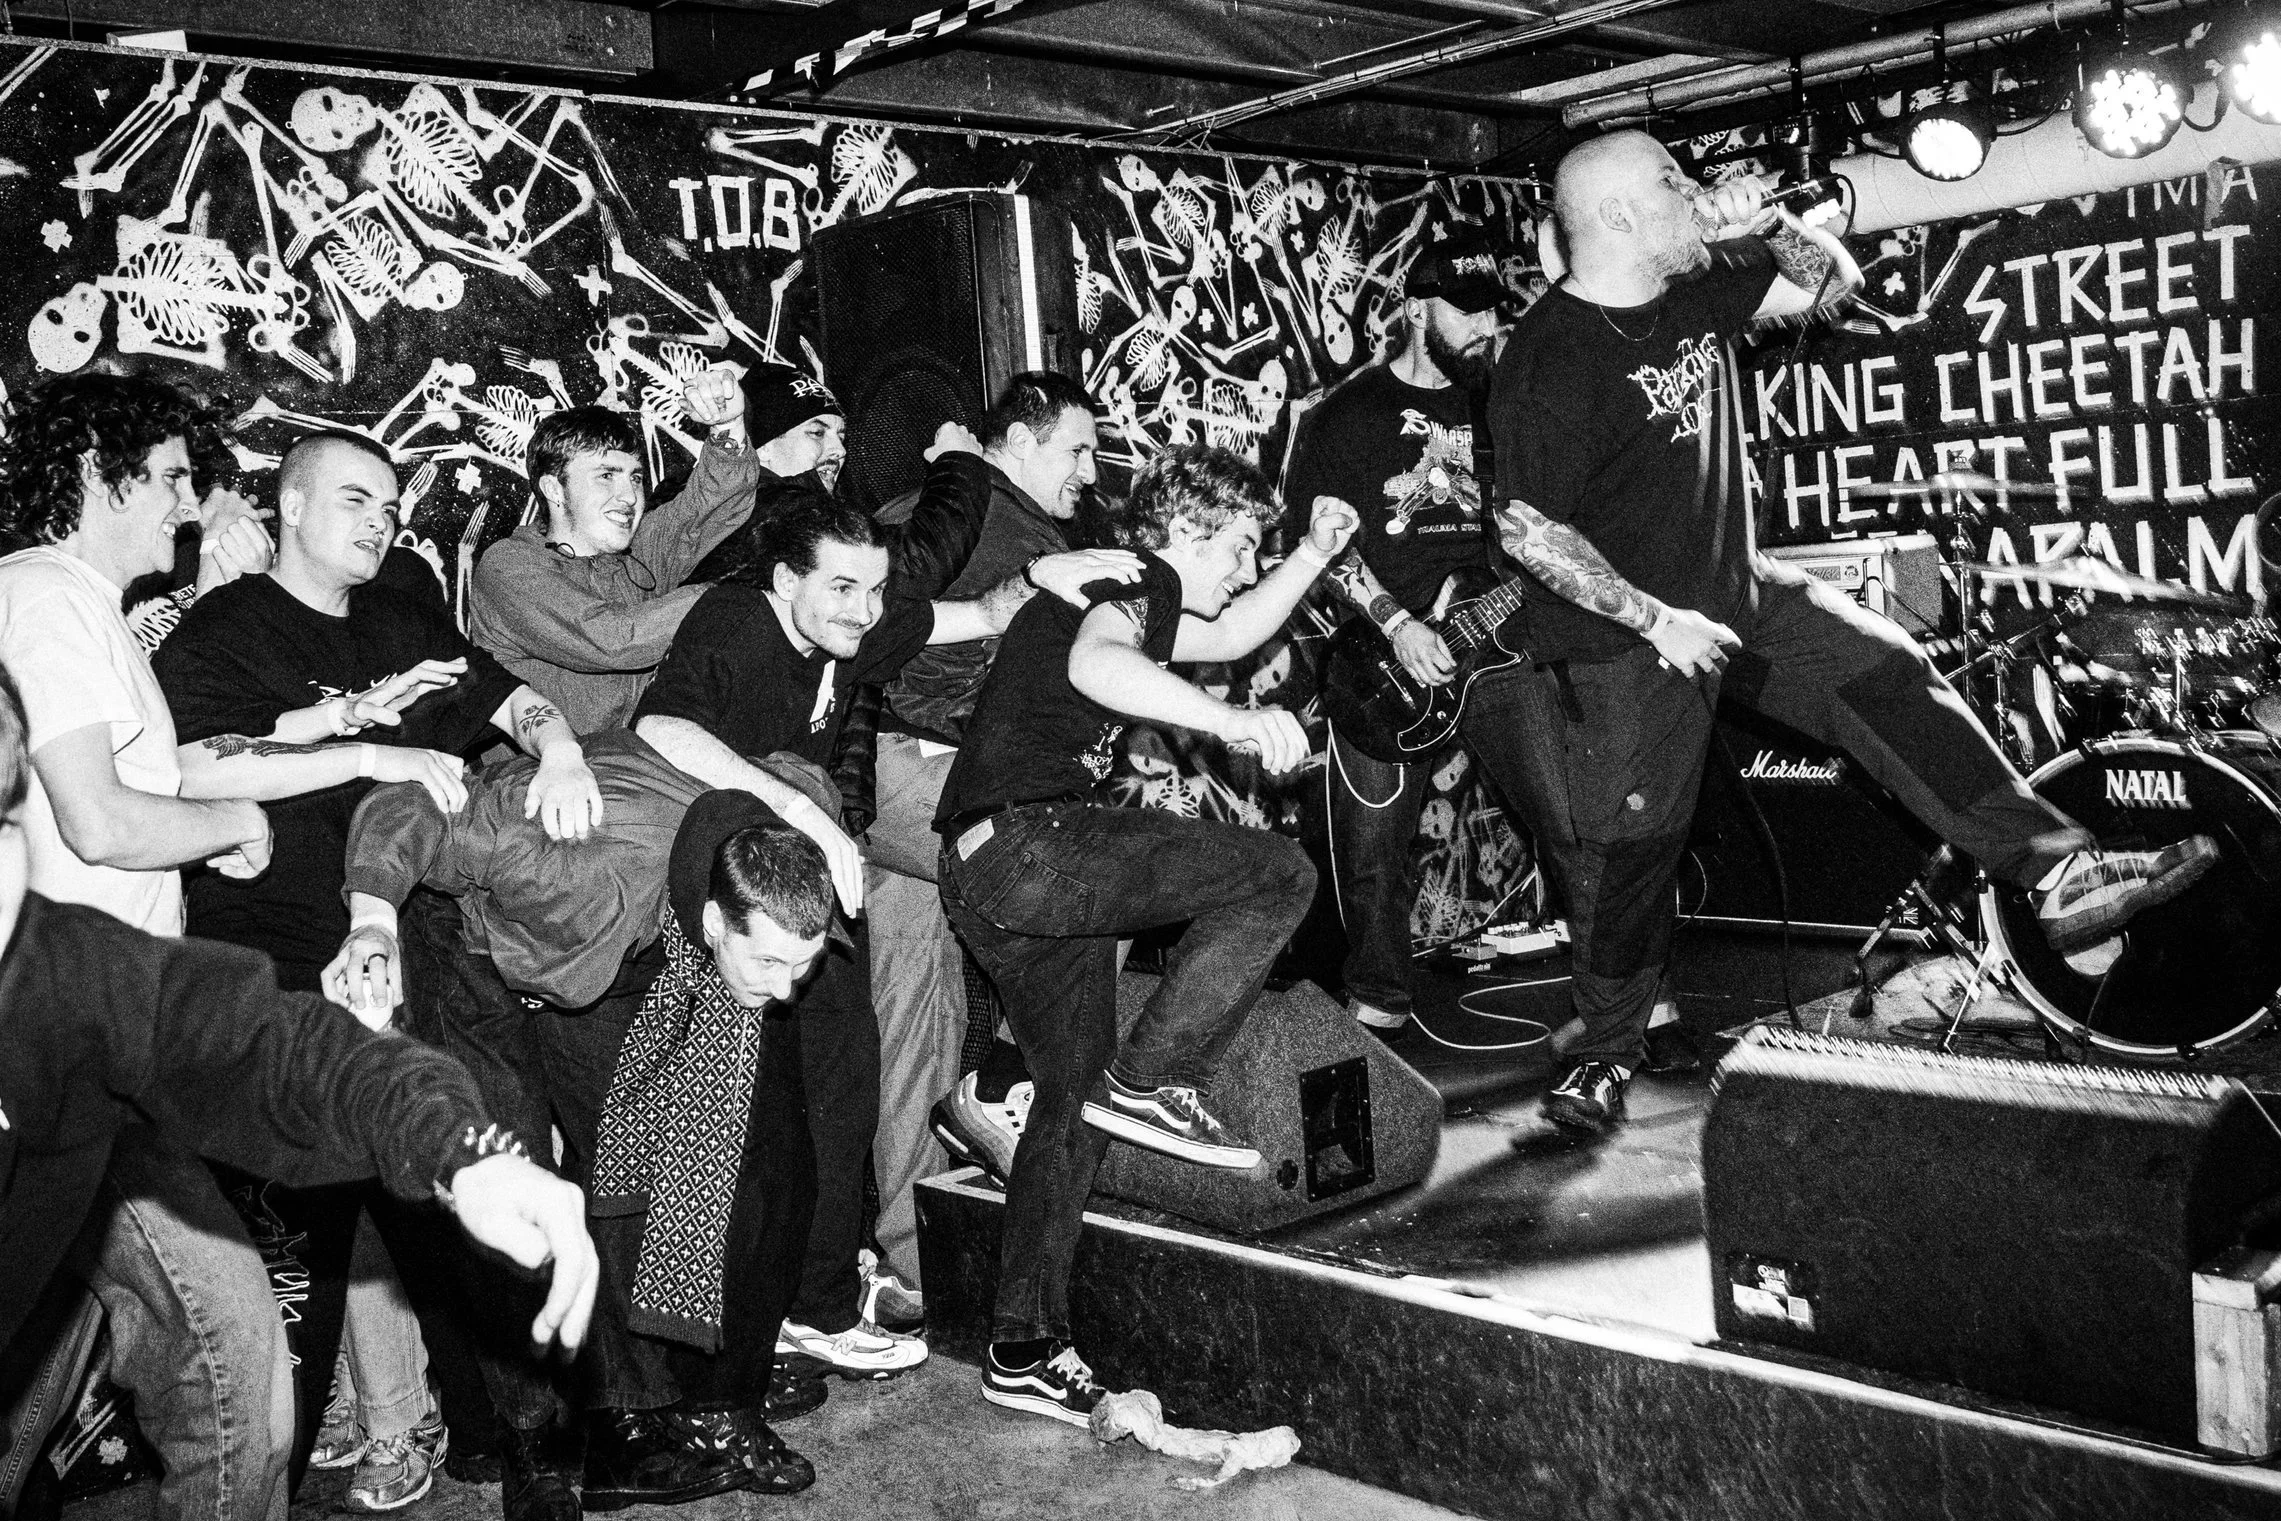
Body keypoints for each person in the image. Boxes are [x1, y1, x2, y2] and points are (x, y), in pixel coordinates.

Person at [1488, 130, 2216, 1135]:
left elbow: (1827, 283)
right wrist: (1656, 618)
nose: (1694, 191)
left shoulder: (1697, 279)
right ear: (1616, 216)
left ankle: (2055, 869)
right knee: (1632, 852)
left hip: (1738, 594)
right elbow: (1529, 532)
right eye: (1672, 182)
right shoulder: (1547, 362)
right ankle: (1604, 1054)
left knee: (1884, 670)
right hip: (1621, 641)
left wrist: (1774, 225)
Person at [0, 656, 598, 1521]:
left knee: (236, 1378)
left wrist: (468, 1153)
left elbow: (275, 1046)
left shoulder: (60, 969)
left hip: (75, 1163)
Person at [149, 428, 610, 1499]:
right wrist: (363, 745)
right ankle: (268, 1474)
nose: (379, 520)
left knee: (462, 1179)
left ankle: (518, 1444)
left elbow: (507, 695)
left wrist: (559, 745)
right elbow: (193, 766)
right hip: (277, 951)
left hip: (411, 944)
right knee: (294, 1244)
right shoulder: (226, 627)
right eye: (354, 498)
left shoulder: (404, 619)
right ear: (292, 508)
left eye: (391, 505)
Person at [635, 431, 1143, 1379]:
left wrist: (1047, 572)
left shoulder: (859, 622)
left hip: (811, 867)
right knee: (772, 1103)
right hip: (717, 890)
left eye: (872, 592)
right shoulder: (737, 622)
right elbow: (661, 723)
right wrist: (796, 809)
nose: (862, 613)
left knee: (881, 1040)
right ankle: (783, 1311)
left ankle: (879, 1272)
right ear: (786, 579)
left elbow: (977, 613)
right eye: (840, 590)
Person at [934, 444, 1356, 1426]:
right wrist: (1230, 723)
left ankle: (1024, 1345)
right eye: (1244, 547)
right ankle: (1152, 1080)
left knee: (1071, 1107)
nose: (1246, 570)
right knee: (1276, 874)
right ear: (1191, 531)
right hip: (1037, 845)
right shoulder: (1144, 576)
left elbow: (1236, 625)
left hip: (992, 868)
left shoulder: (1131, 587)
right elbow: (1101, 663)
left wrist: (1309, 555)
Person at [324, 732, 833, 1513]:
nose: (787, 988)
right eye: (767, 963)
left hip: (599, 960)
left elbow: (794, 769)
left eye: (802, 966)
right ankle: (538, 1448)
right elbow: (411, 802)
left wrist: (812, 812)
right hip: (470, 949)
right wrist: (372, 921)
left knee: (635, 1165)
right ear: (711, 917)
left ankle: (633, 1421)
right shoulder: (561, 859)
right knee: (513, 1191)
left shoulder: (753, 837)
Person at [0, 373, 289, 1521]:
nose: (185, 506)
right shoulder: (43, 597)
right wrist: (236, 825)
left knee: (33, 1371)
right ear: (91, 474)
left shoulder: (76, 607)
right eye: (167, 476)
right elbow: (101, 820)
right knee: (239, 1377)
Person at [865, 371, 1101, 1298]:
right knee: (1084, 885)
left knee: (913, 1020)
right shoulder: (1010, 526)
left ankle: (918, 1258)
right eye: (1075, 448)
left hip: (878, 779)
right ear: (1018, 438)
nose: (1090, 469)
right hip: (923, 771)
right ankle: (1002, 1083)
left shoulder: (919, 503)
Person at [1289, 232, 1503, 1039]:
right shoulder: (1349, 415)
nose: (1483, 327)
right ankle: (1378, 1006)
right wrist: (1396, 620)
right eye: (1465, 310)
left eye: (1491, 310)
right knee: (1372, 850)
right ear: (1415, 308)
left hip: (1500, 641)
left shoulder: (1497, 405)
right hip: (1385, 662)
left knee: (1572, 809)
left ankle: (1616, 1005)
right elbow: (1321, 544)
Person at [470, 373, 758, 735]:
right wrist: (721, 596)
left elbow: (713, 504)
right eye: (606, 475)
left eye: (635, 478)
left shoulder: (636, 553)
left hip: (637, 764)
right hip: (544, 775)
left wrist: (727, 426)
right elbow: (615, 640)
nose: (629, 497)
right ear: (554, 489)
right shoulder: (509, 565)